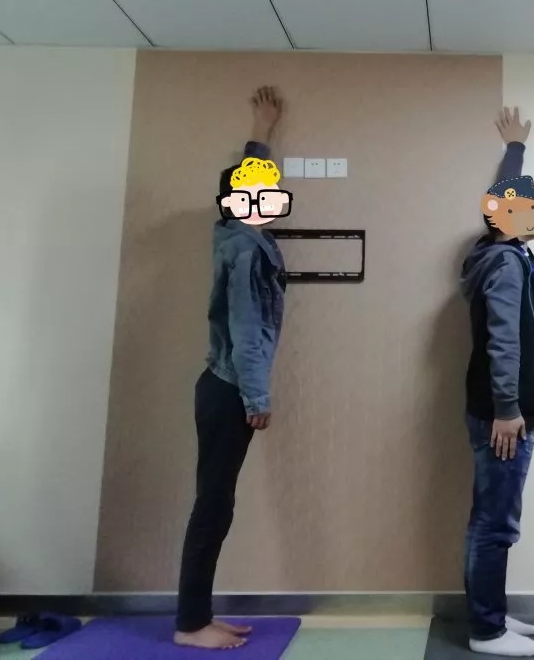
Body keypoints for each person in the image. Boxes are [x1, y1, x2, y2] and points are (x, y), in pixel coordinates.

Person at [174, 86, 291, 650]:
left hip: (221, 389)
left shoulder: (237, 235)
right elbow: (246, 331)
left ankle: (198, 616)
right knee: (213, 507)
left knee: (217, 504)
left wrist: (261, 131)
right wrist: (257, 399)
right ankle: (191, 625)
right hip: (228, 392)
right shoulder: (245, 250)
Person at [459, 108, 534, 657]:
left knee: (492, 518)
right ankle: (486, 629)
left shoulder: (497, 252)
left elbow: (500, 197)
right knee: (495, 524)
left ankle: (491, 612)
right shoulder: (505, 263)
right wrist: (508, 409)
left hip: (503, 406)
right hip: (503, 411)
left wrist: (515, 149)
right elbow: (503, 340)